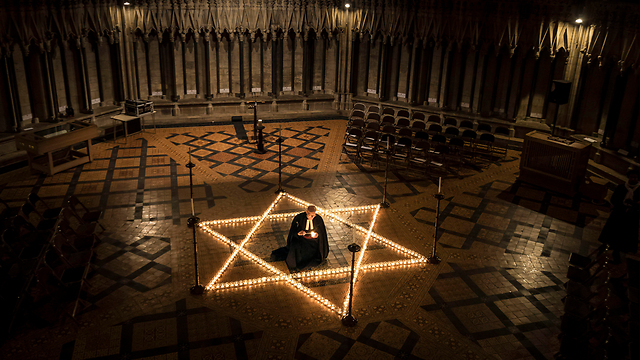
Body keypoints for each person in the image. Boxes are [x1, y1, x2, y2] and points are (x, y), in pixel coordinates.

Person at [598, 169, 640, 262]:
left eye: (635, 177)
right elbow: (614, 199)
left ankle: (620, 252)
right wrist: (622, 205)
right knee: (613, 232)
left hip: (631, 217)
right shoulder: (621, 187)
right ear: (628, 178)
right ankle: (609, 247)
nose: (633, 179)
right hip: (619, 214)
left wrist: (633, 205)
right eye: (631, 177)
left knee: (626, 235)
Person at [271, 205, 329, 270]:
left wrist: (317, 235)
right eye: (310, 215)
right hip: (301, 239)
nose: (312, 217)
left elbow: (321, 232)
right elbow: (293, 231)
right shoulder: (299, 218)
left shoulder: (318, 219)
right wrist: (298, 233)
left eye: (314, 215)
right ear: (307, 212)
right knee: (296, 247)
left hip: (313, 241)